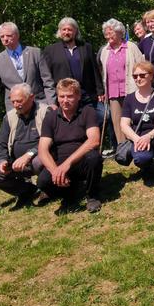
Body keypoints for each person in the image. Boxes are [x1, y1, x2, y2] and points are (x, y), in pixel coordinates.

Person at [37, 78, 103, 213]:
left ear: (78, 96)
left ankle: (92, 196)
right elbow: (42, 150)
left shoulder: (88, 112)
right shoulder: (50, 118)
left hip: (81, 161)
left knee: (94, 158)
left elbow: (94, 140)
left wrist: (67, 163)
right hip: (59, 162)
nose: (65, 100)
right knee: (42, 181)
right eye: (62, 96)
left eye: (70, 96)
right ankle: (68, 193)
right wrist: (55, 171)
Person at [0, 83, 48, 208]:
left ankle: (46, 189)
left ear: (31, 97)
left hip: (37, 157)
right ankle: (26, 191)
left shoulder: (45, 112)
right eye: (12, 101)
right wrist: (2, 161)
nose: (15, 105)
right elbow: (1, 144)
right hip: (14, 163)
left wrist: (28, 155)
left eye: (19, 101)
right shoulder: (9, 117)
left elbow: (49, 140)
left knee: (40, 161)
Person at [0, 22, 54, 115]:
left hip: (39, 105)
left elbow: (48, 81)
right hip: (14, 110)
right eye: (2, 37)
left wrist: (52, 103)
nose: (5, 39)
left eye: (9, 35)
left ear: (17, 35)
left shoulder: (35, 53)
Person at [40, 17, 104, 114]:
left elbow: (94, 71)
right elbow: (47, 76)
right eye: (64, 29)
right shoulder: (50, 50)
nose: (66, 32)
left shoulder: (86, 47)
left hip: (86, 95)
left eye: (70, 29)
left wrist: (100, 91)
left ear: (75, 31)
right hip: (65, 97)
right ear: (60, 31)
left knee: (103, 116)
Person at [98, 18, 144, 147]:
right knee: (117, 121)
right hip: (112, 92)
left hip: (131, 89)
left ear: (119, 32)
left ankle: (138, 144)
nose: (108, 36)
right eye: (106, 33)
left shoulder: (131, 47)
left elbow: (142, 66)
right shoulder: (104, 51)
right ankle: (123, 148)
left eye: (110, 32)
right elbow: (103, 72)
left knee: (134, 119)